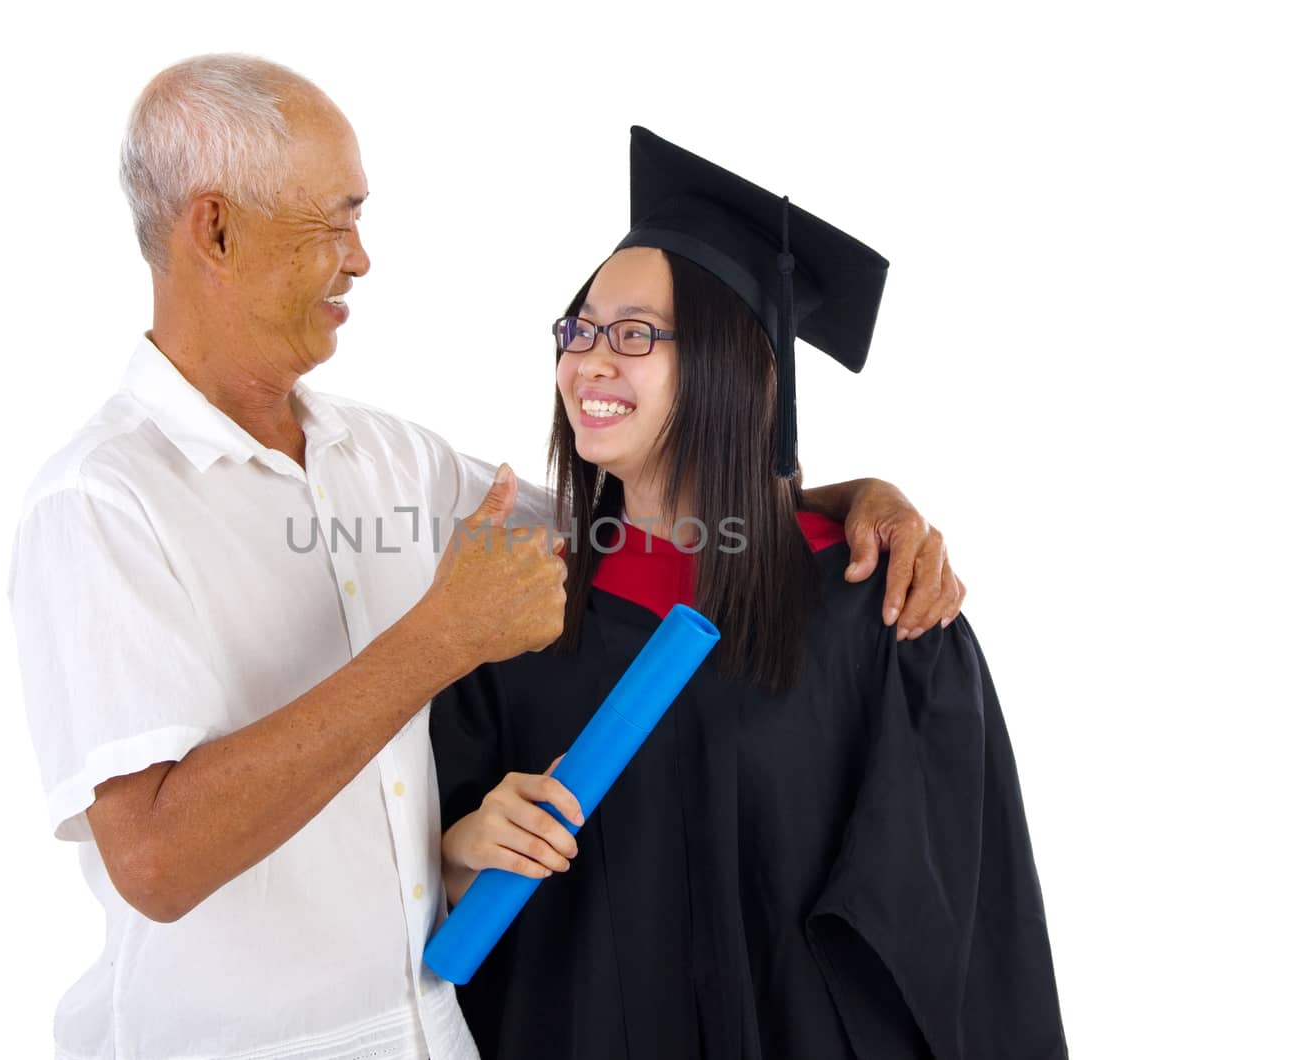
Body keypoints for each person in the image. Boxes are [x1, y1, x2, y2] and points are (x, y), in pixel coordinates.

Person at [9, 56, 966, 1060]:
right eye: (334, 219)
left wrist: (849, 501)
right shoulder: (103, 502)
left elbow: (653, 508)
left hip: (434, 1031)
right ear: (216, 228)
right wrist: (438, 640)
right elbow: (156, 861)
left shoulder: (387, 460)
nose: (361, 257)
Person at [431, 127, 1065, 1058]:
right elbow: (420, 887)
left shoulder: (878, 610)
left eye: (635, 334)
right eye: (581, 328)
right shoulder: (522, 613)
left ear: (741, 364)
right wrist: (461, 849)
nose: (591, 361)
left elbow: (964, 937)